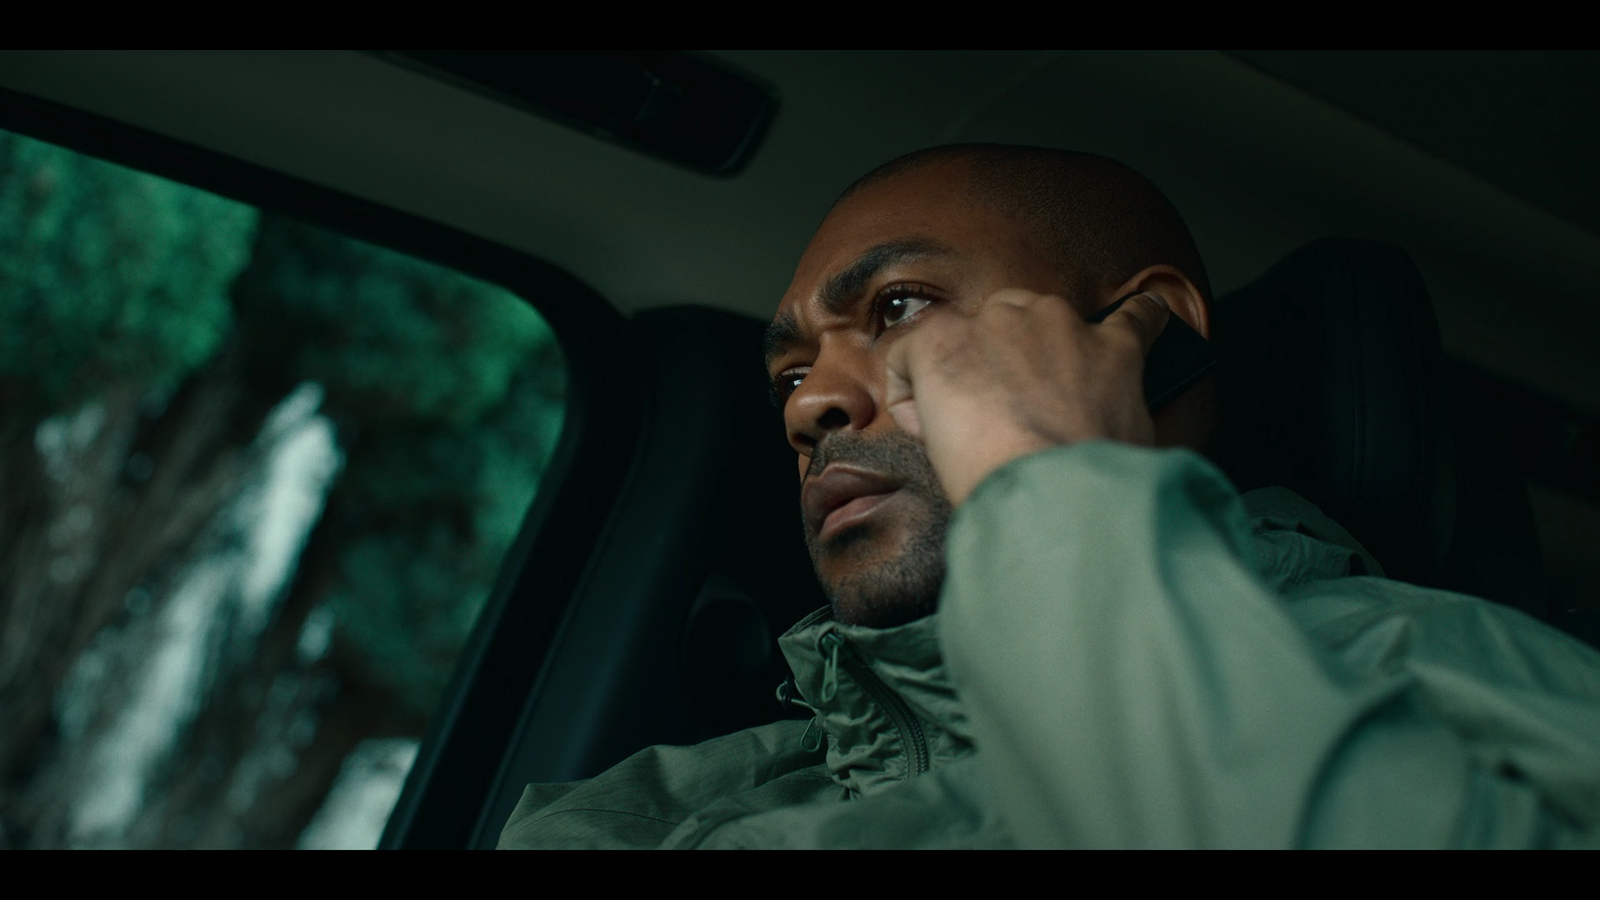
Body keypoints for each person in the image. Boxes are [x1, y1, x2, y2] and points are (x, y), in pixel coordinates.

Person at [498, 145, 1600, 849]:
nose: (808, 407)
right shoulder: (678, 801)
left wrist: (1055, 487)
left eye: (898, 309)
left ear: (1145, 337)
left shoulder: (1433, 666)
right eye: (791, 374)